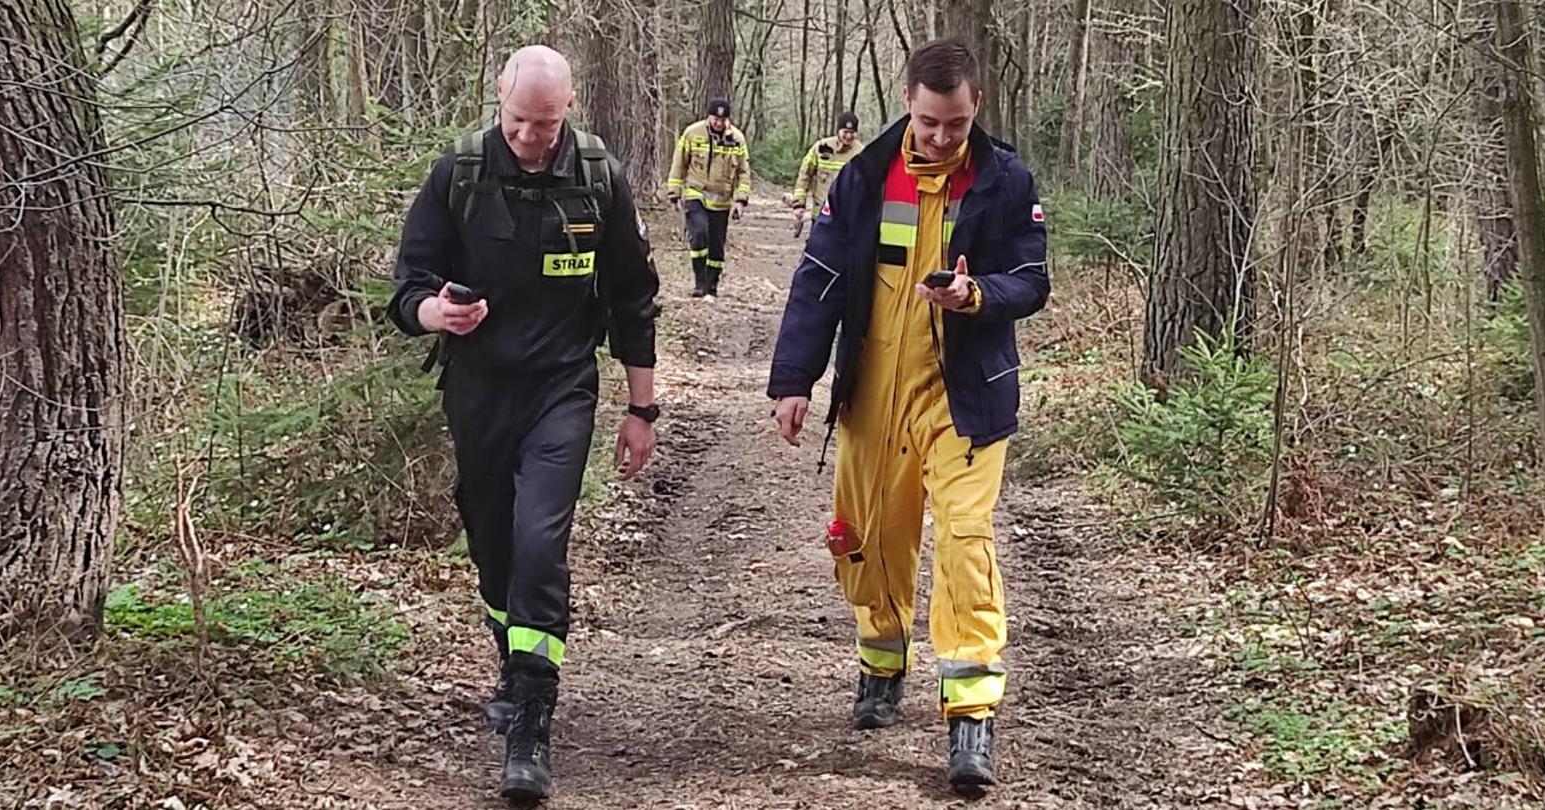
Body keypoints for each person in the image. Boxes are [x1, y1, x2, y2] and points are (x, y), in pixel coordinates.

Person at [765, 38, 1049, 793]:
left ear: (976, 105)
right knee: (870, 538)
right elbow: (819, 277)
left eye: (955, 123)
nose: (942, 137)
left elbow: (1031, 278)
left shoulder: (1006, 180)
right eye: (928, 122)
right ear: (907, 103)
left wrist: (975, 295)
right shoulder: (863, 176)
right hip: (874, 393)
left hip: (965, 398)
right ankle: (881, 661)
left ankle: (971, 712)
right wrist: (794, 379)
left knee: (964, 540)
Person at [386, 45, 661, 802]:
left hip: (561, 391)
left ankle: (533, 721)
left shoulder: (598, 179)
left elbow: (634, 299)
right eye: (517, 122)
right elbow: (407, 286)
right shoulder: (460, 173)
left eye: (544, 124)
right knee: (494, 543)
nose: (530, 138)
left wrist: (641, 409)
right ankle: (512, 658)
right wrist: (435, 312)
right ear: (498, 102)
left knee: (541, 542)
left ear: (568, 108)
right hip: (478, 390)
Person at [665, 98, 751, 298]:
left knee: (716, 248)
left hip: (722, 200)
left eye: (722, 120)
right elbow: (679, 164)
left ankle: (711, 285)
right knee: (699, 234)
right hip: (696, 193)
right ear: (708, 117)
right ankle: (699, 282)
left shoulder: (737, 139)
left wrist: (741, 200)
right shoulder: (692, 133)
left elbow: (743, 172)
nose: (718, 123)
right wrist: (674, 193)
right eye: (715, 119)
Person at [789, 111, 863, 238]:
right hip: (820, 215)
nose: (848, 136)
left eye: (852, 132)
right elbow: (804, 176)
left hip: (846, 218)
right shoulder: (821, 147)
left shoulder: (861, 153)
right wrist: (799, 204)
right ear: (838, 130)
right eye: (845, 132)